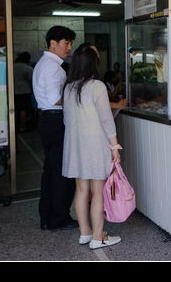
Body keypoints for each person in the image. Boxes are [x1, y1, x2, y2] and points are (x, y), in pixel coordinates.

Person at [62, 43, 123, 249]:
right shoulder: (97, 86)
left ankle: (85, 233)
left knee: (81, 190)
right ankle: (98, 237)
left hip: (75, 145)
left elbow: (66, 120)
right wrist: (115, 147)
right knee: (98, 191)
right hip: (95, 144)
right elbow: (106, 119)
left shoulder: (69, 87)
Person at [32, 25, 77, 231]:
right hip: (55, 120)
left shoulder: (46, 64)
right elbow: (54, 99)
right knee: (60, 172)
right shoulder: (52, 67)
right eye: (66, 43)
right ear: (53, 43)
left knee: (51, 171)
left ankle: (47, 217)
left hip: (48, 120)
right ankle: (58, 218)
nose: (69, 47)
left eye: (70, 43)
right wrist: (77, 99)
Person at [13, 51, 34, 132]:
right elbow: (32, 80)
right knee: (23, 110)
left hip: (13, 91)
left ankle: (14, 126)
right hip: (25, 92)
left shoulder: (12, 67)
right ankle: (22, 126)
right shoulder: (28, 68)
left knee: (14, 109)